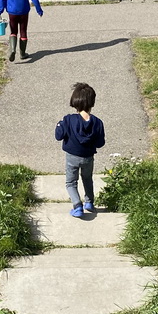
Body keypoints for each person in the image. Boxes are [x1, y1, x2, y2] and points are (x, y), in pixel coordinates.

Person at [55, 82, 106, 218]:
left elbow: (58, 136)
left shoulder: (68, 120)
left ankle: (78, 206)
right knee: (87, 178)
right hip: (88, 157)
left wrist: (59, 125)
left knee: (71, 182)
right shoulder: (98, 122)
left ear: (74, 101)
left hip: (72, 157)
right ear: (92, 102)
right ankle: (89, 202)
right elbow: (100, 143)